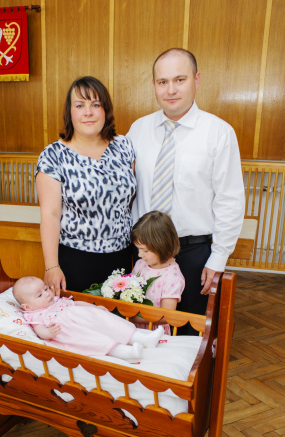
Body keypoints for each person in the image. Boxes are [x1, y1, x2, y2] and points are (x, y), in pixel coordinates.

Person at [127, 48, 245, 334]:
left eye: (180, 80)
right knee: (142, 328)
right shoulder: (138, 130)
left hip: (193, 252)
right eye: (162, 82)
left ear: (197, 80)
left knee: (191, 334)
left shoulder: (219, 132)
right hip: (145, 253)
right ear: (154, 85)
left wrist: (218, 257)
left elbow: (230, 200)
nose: (171, 90)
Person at [36, 76, 136, 295]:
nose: (88, 112)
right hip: (76, 260)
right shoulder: (54, 155)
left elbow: (130, 202)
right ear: (70, 112)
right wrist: (51, 266)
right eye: (80, 105)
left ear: (105, 110)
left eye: (96, 105)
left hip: (122, 258)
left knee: (118, 316)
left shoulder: (124, 146)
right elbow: (50, 214)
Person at [13, 276, 164, 360]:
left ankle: (144, 338)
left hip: (88, 319)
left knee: (108, 321)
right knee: (94, 340)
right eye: (40, 294)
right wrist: (49, 332)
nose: (47, 294)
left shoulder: (56, 301)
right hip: (72, 332)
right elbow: (40, 331)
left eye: (46, 289)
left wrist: (94, 308)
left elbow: (76, 303)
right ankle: (127, 352)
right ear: (27, 306)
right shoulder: (35, 315)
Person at [131, 211, 185, 334]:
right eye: (138, 249)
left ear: (162, 246)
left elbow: (166, 316)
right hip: (133, 330)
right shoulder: (140, 264)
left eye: (145, 250)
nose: (140, 255)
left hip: (155, 333)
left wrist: (133, 318)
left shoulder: (172, 277)